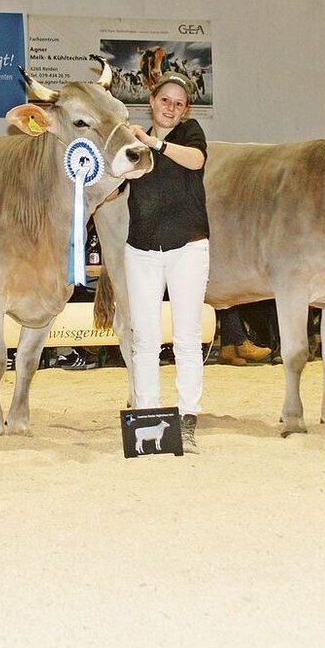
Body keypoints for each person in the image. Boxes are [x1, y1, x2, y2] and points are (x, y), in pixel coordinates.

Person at [123, 71, 209, 453]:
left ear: (186, 109)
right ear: (151, 101)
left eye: (179, 103)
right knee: (145, 340)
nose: (171, 107)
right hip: (141, 249)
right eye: (165, 100)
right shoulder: (132, 142)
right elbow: (114, 181)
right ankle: (146, 415)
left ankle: (186, 420)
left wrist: (153, 144)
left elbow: (196, 161)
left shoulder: (190, 134)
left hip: (187, 248)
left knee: (187, 337)